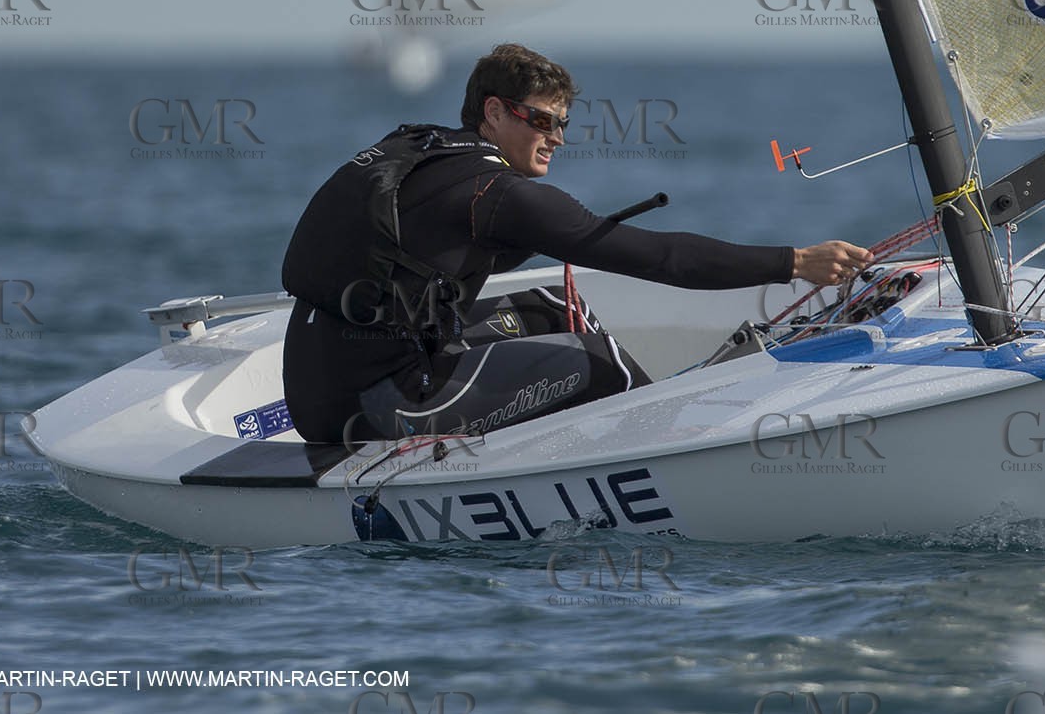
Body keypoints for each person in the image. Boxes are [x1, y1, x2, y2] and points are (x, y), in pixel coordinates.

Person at [281, 43, 870, 444]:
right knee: (597, 364)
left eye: (563, 122)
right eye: (542, 121)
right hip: (378, 406)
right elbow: (662, 259)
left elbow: (432, 252)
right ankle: (671, 455)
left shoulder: (432, 151)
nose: (558, 137)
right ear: (493, 111)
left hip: (325, 381)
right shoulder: (502, 195)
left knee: (555, 309)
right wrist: (796, 262)